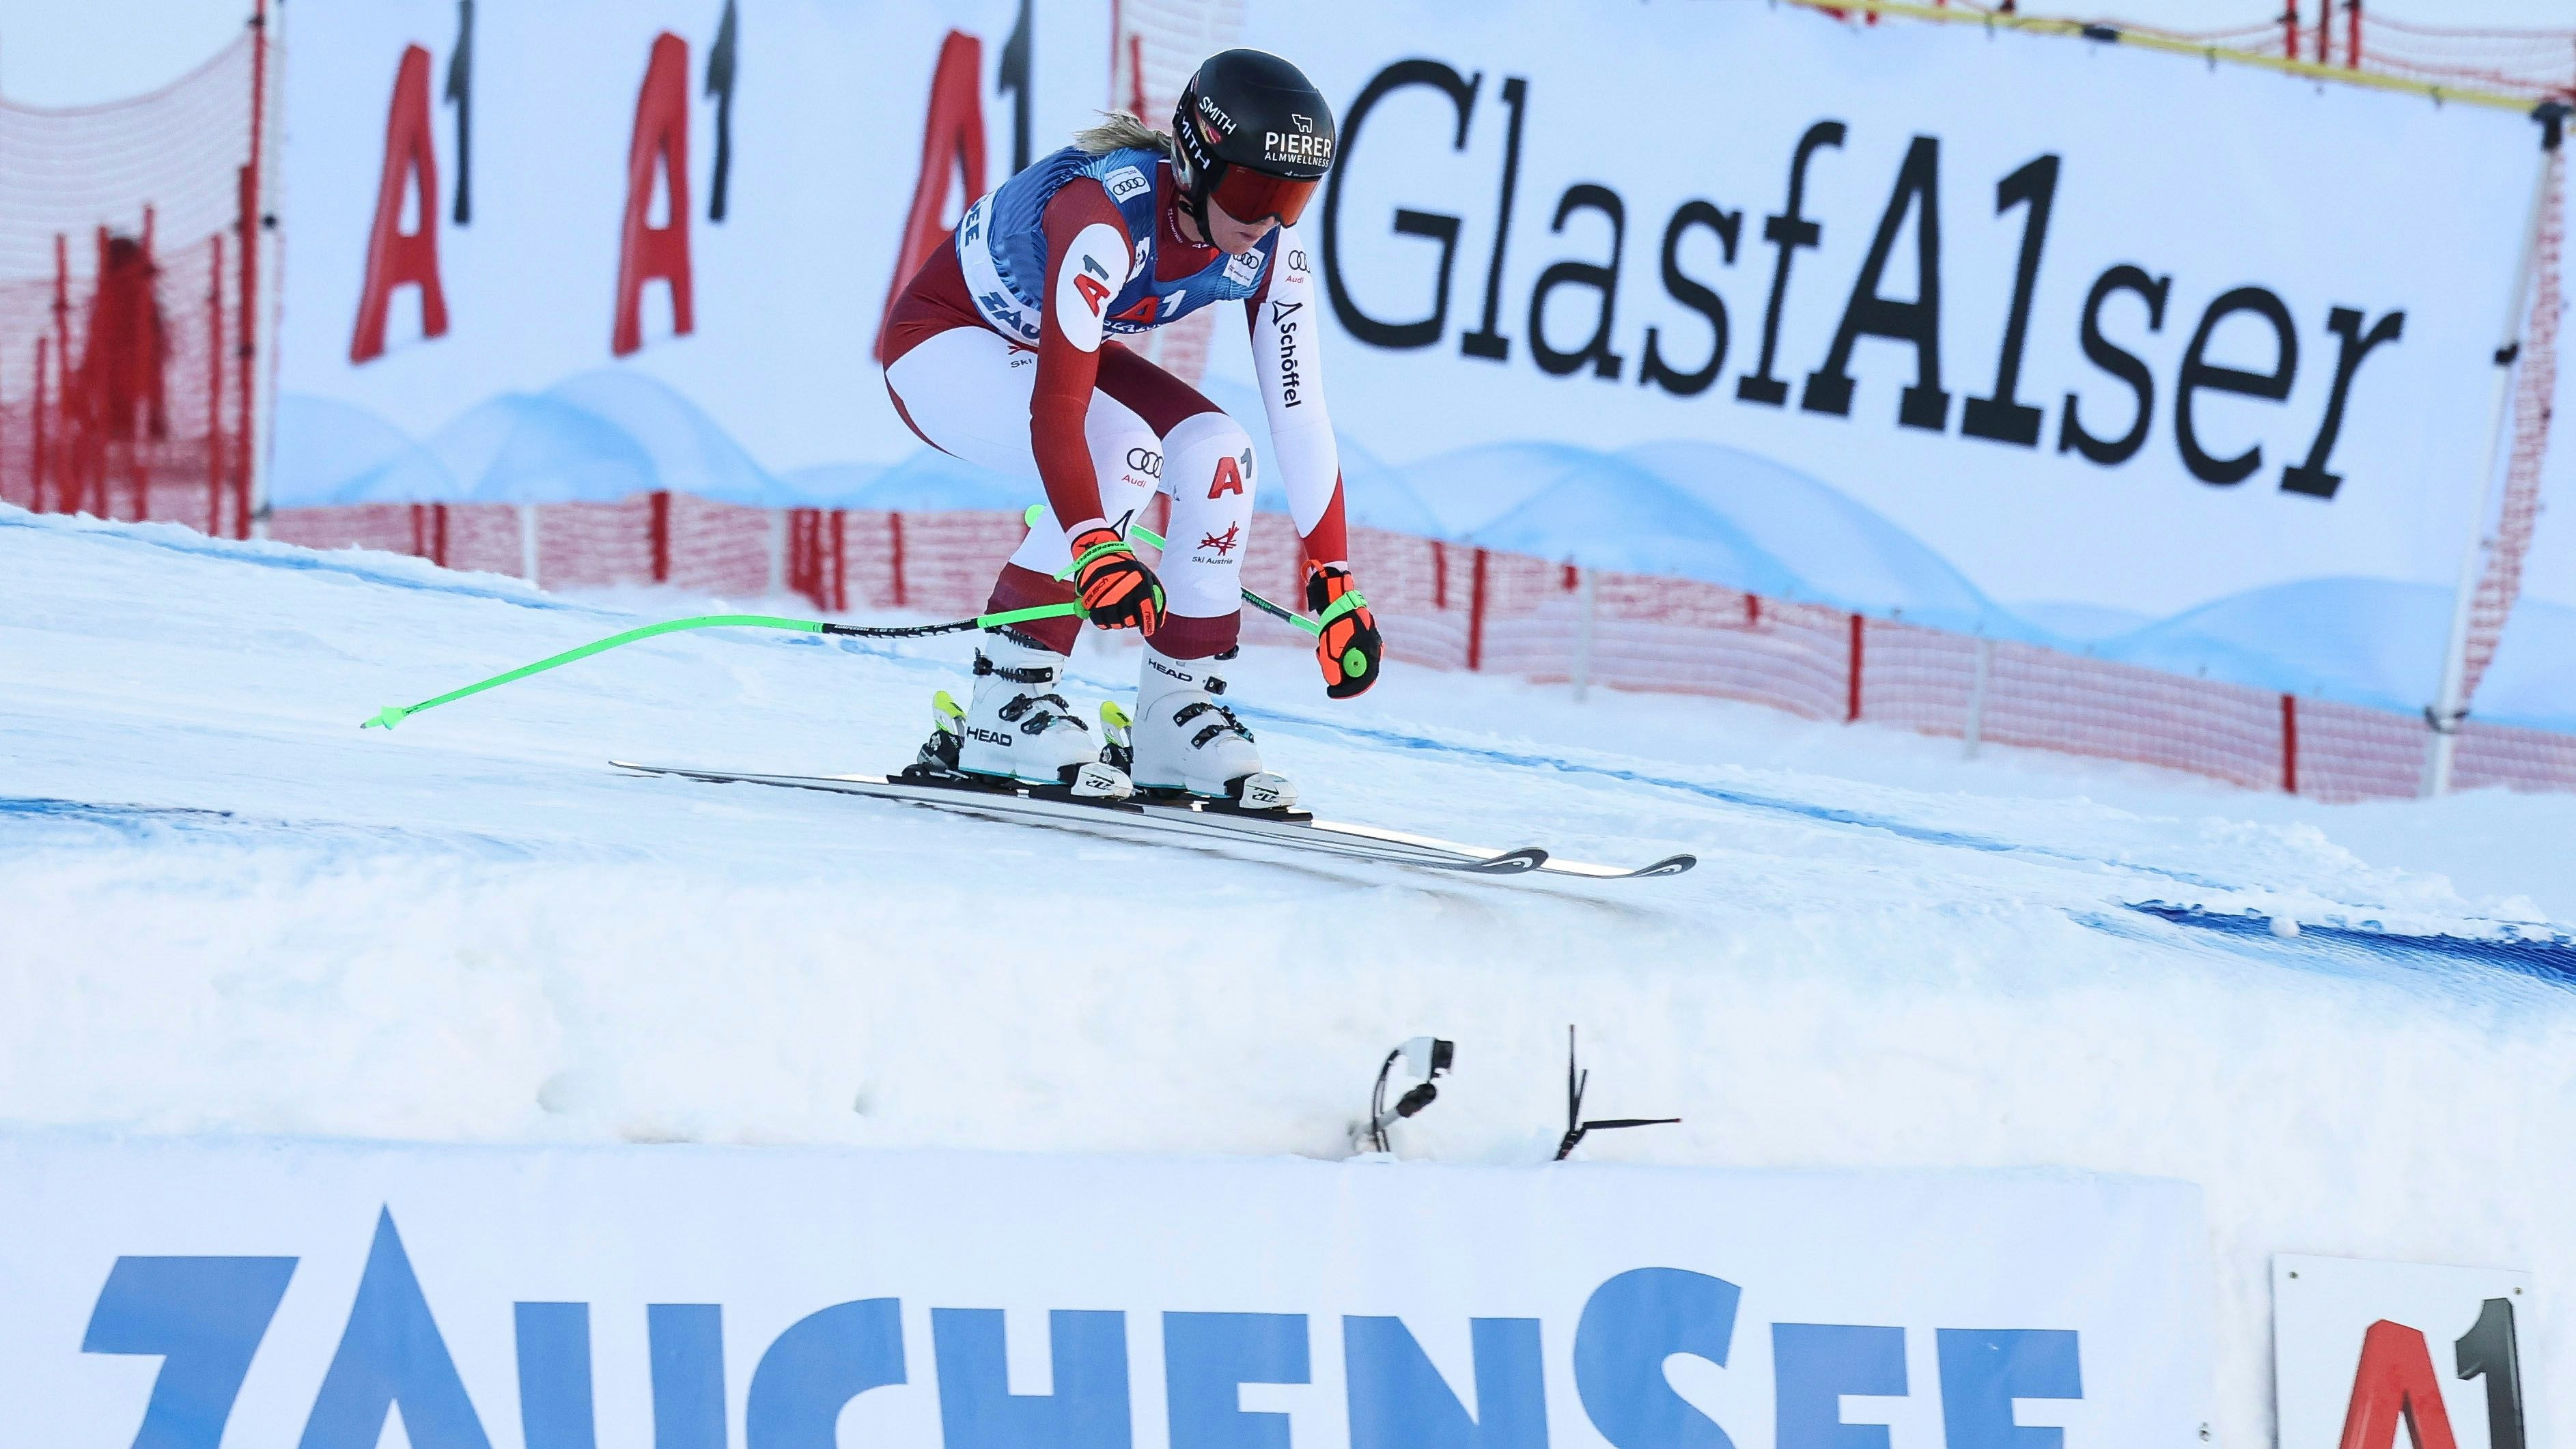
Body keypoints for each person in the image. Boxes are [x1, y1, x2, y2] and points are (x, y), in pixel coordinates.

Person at [880, 48, 1381, 808]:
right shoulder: (1103, 218)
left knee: (1221, 454)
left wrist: (1333, 578)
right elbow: (1057, 412)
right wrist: (1091, 541)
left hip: (1037, 349)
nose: (1267, 222)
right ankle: (1005, 700)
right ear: (1196, 165)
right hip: (943, 347)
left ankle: (1173, 715)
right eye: (1252, 191)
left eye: (1293, 199)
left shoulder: (1270, 250)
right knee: (1125, 450)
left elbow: (1300, 411)